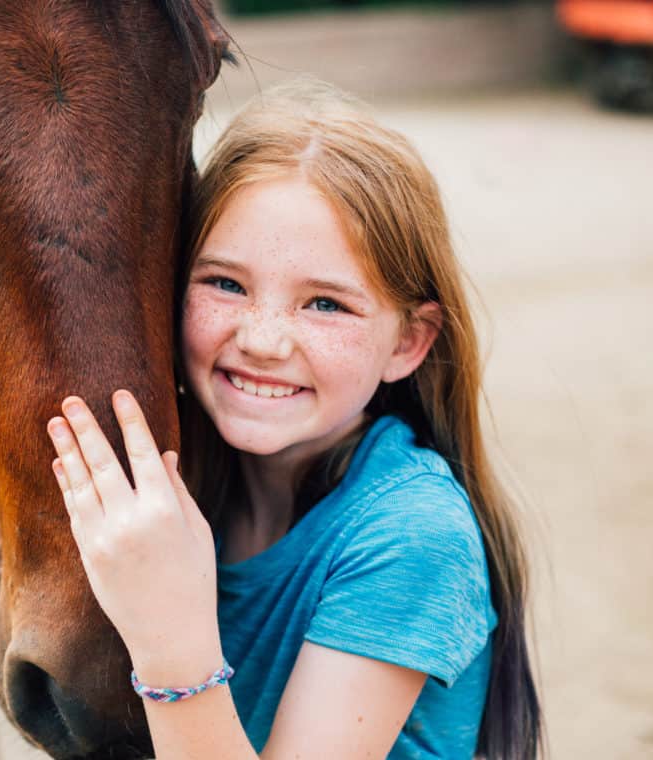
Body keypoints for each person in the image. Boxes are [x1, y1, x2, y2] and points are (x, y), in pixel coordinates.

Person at [45, 80, 541, 759]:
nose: (263, 340)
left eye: (325, 304)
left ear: (408, 343)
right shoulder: (180, 489)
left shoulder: (414, 534)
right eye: (225, 284)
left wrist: (168, 631)